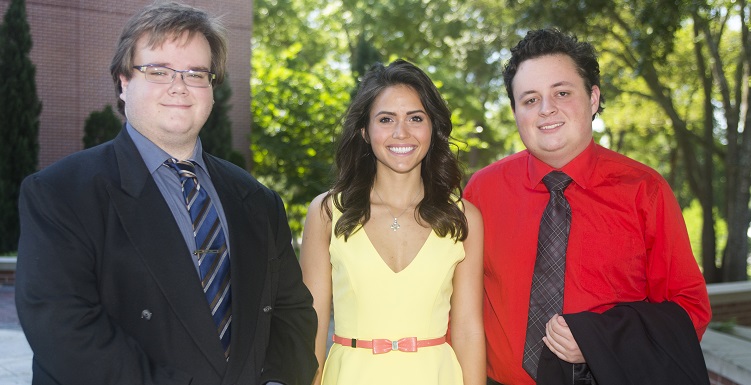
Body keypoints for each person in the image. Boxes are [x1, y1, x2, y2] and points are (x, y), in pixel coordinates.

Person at [15, 3, 317, 384]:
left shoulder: (258, 201)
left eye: (196, 73)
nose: (179, 86)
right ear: (124, 81)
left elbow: (292, 314)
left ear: (211, 88)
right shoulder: (59, 194)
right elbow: (66, 332)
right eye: (158, 71)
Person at [465, 28, 712, 385]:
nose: (546, 109)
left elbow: (690, 311)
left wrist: (600, 342)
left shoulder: (645, 191)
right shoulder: (481, 192)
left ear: (593, 99)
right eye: (530, 99)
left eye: (562, 93)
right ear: (516, 111)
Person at [299, 59, 485, 385]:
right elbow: (310, 324)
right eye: (386, 119)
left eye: (416, 118)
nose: (402, 132)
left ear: (433, 128)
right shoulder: (327, 212)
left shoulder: (463, 217)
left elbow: (469, 329)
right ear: (364, 132)